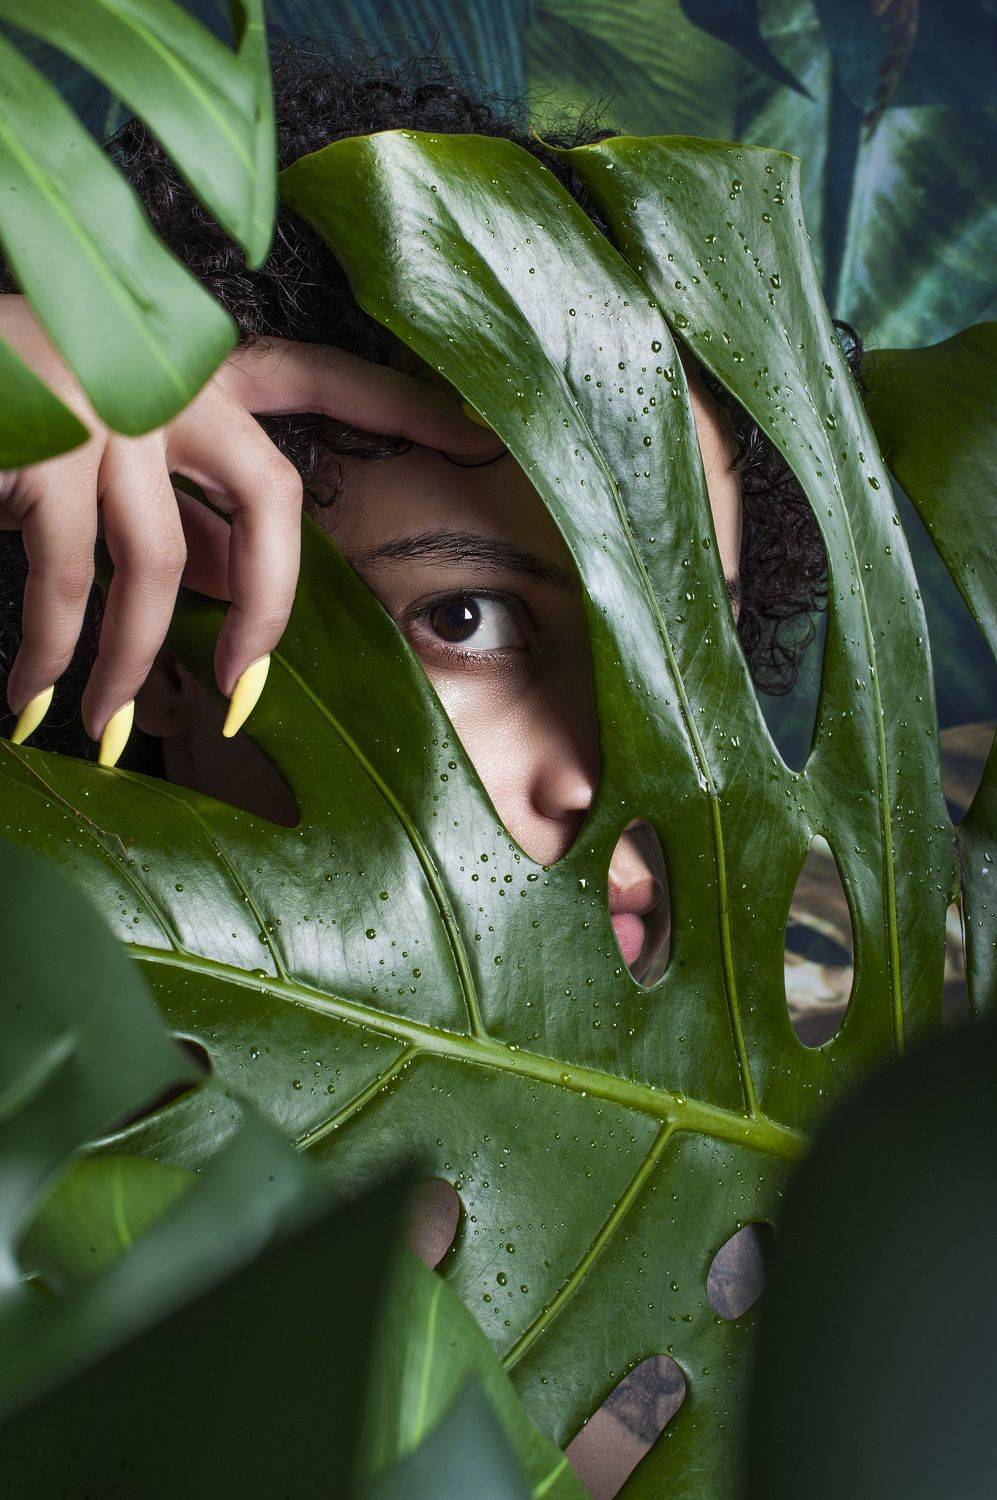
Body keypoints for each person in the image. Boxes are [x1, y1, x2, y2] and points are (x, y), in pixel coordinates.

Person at [0, 43, 858, 1493]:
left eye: (690, 652)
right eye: (467, 620)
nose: (610, 774)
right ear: (164, 635)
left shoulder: (841, 1227)